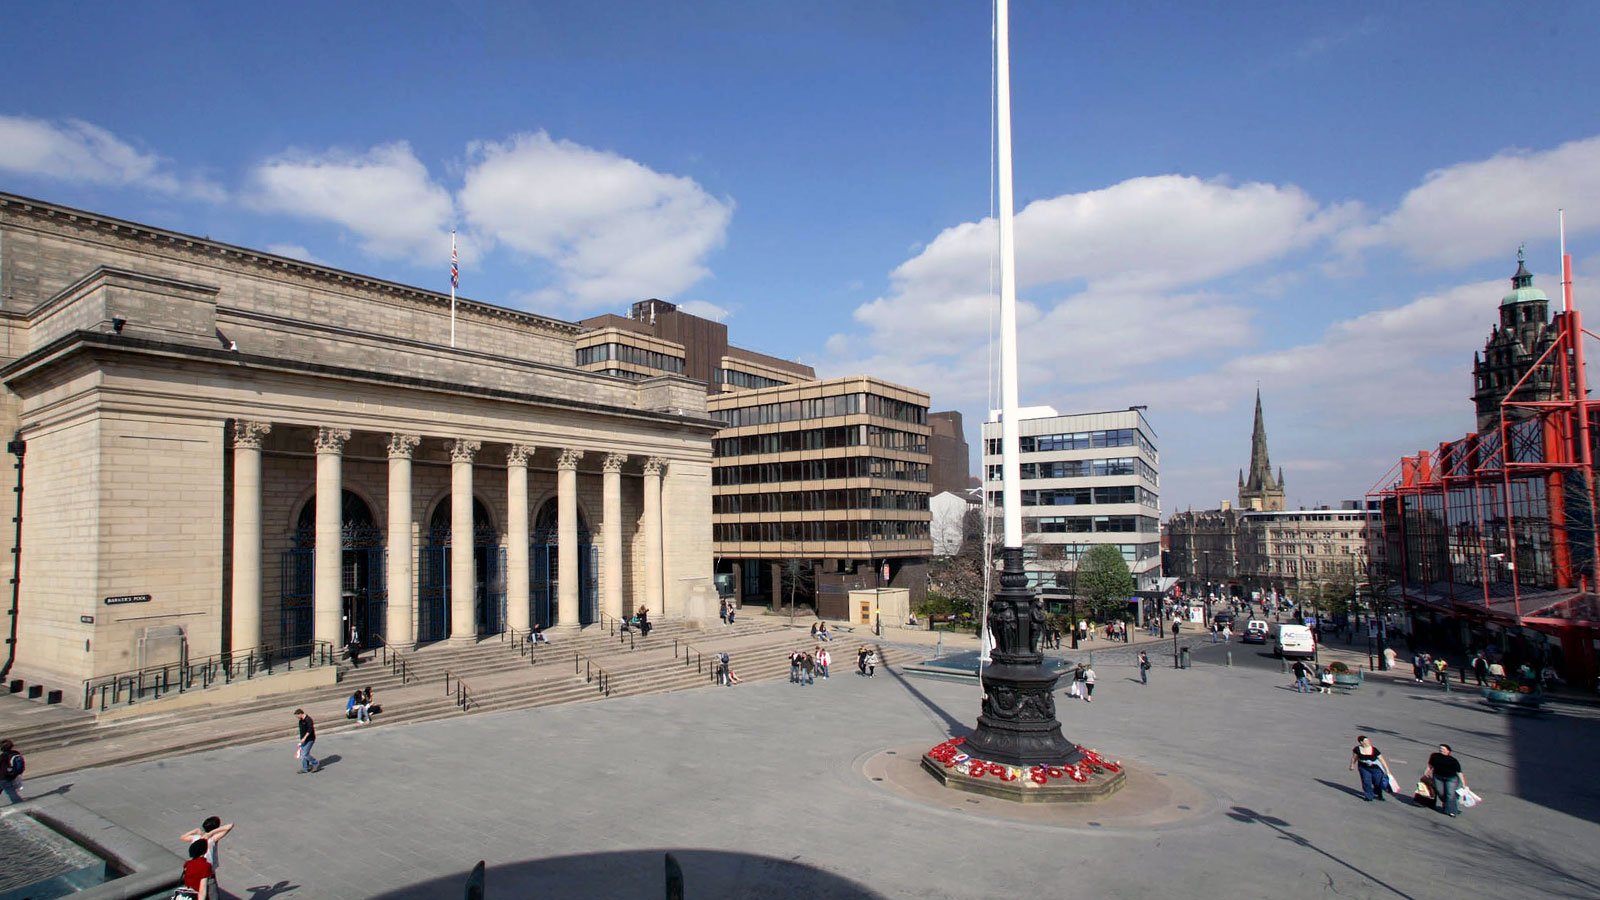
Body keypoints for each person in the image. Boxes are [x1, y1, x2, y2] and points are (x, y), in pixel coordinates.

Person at [179, 815, 233, 896]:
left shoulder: (195, 838)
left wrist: (195, 830)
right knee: (212, 895)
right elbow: (230, 826)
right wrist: (212, 833)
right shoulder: (212, 839)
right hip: (209, 874)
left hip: (196, 872)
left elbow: (182, 837)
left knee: (195, 894)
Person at [1423, 743, 1469, 817]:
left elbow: (1459, 772)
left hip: (1451, 779)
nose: (1441, 750)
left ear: (1448, 751)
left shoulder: (1453, 761)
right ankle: (1447, 803)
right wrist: (1427, 771)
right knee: (1440, 793)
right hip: (1438, 777)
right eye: (1440, 749)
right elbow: (1430, 765)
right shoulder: (1435, 756)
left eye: (1444, 749)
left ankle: (1452, 811)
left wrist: (1464, 783)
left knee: (1450, 794)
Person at [1348, 735, 1393, 802]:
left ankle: (1379, 794)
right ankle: (1368, 796)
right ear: (1361, 742)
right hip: (1363, 768)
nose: (1368, 741)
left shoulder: (1374, 749)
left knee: (1377, 782)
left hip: (1376, 769)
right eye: (1366, 740)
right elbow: (1354, 757)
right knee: (1366, 781)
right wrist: (1352, 765)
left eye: (1368, 740)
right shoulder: (1357, 749)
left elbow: (1382, 760)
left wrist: (1387, 770)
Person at [294, 709, 319, 773]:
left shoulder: (308, 719)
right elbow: (302, 731)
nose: (297, 717)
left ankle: (315, 763)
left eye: (297, 716)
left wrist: (304, 738)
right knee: (303, 754)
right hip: (303, 740)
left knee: (305, 754)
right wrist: (301, 740)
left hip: (310, 739)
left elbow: (310, 730)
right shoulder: (301, 721)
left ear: (300, 714)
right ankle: (305, 768)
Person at [0, 739, 24, 804]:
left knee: (10, 790)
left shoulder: (3, 756)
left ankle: (19, 803)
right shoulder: (16, 753)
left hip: (3, 776)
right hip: (12, 774)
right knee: (6, 787)